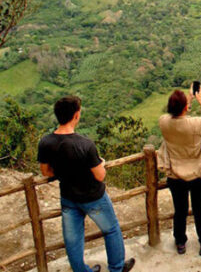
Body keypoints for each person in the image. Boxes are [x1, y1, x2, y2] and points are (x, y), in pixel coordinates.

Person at [37, 96, 135, 272]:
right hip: (93, 197)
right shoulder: (85, 144)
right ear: (76, 116)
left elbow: (46, 171)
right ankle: (117, 268)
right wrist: (101, 163)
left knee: (73, 240)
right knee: (111, 230)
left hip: (68, 197)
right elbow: (100, 176)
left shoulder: (46, 142)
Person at [158, 86, 201, 256]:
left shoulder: (164, 122)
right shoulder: (196, 124)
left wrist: (188, 101)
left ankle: (180, 242)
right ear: (185, 108)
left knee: (180, 209)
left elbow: (176, 117)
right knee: (199, 209)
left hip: (175, 175)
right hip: (198, 173)